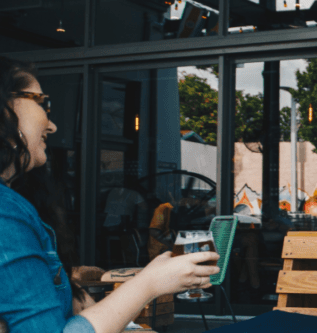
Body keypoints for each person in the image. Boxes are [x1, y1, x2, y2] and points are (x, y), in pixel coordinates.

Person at [0, 56, 220, 333]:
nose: (52, 124)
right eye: (42, 102)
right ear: (5, 106)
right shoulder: (5, 212)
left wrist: (71, 299)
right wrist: (150, 282)